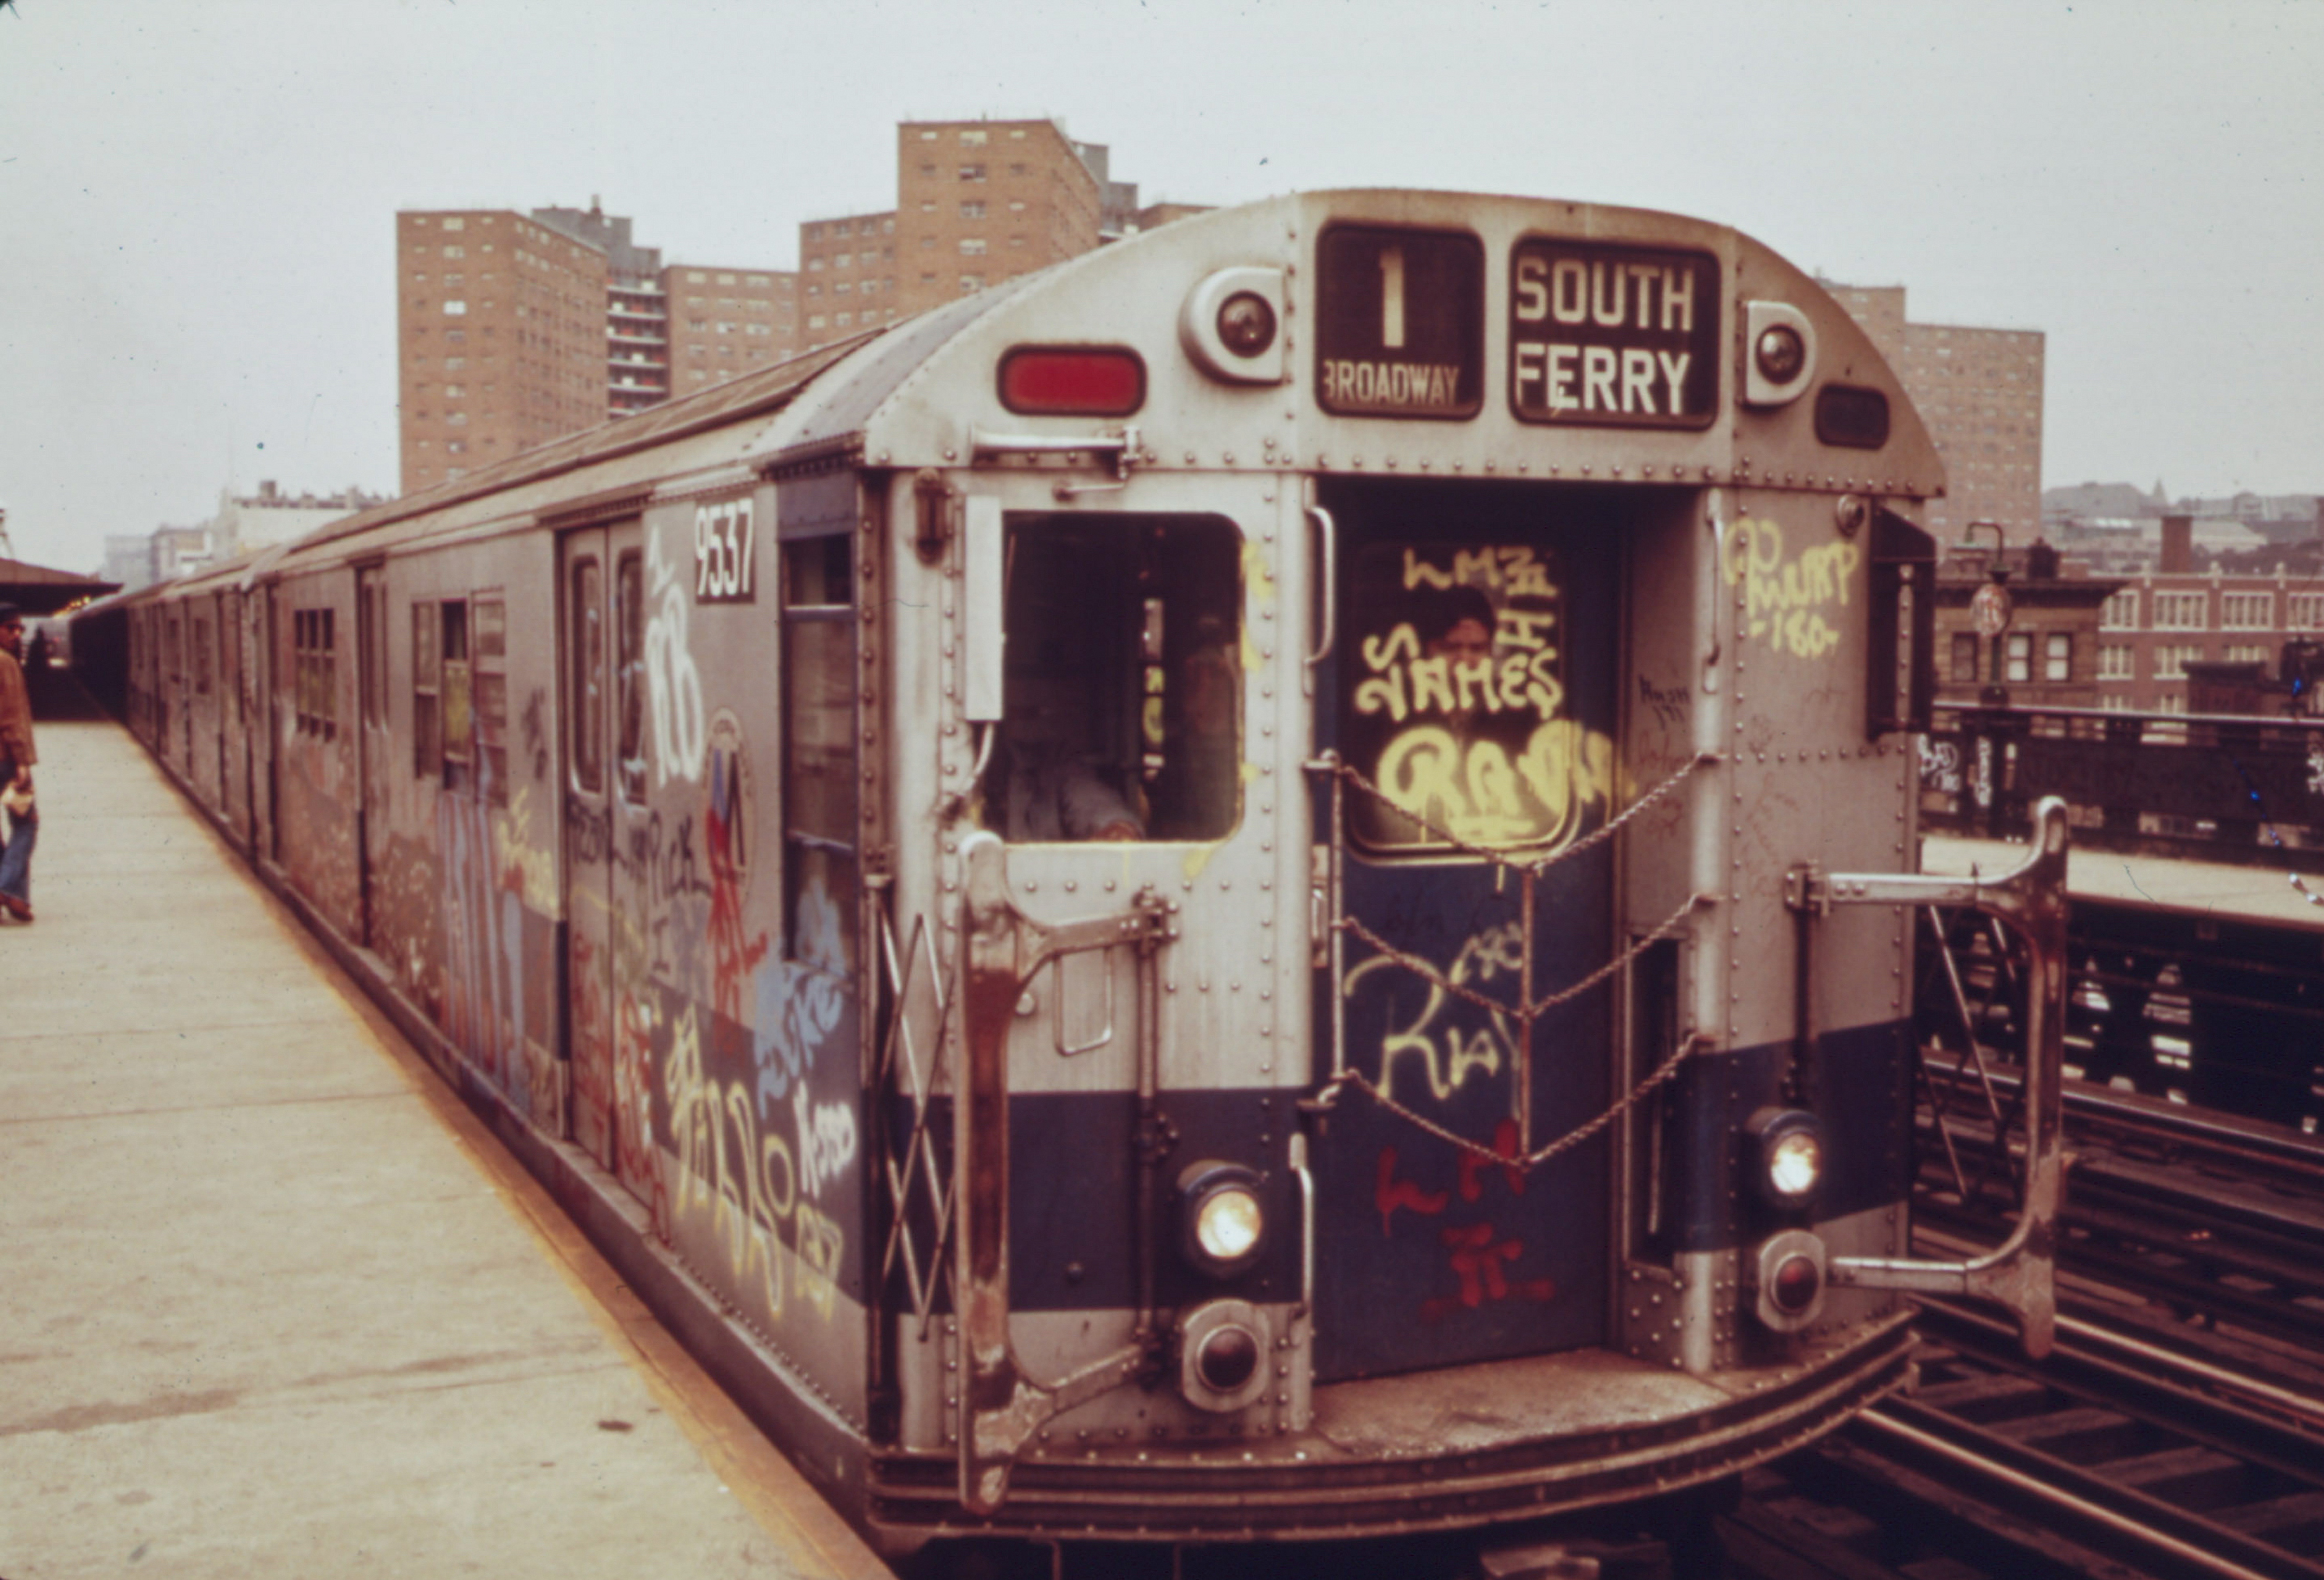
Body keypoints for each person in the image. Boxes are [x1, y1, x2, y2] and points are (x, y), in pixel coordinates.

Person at [0, 603, 37, 924]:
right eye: (10, 627)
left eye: (20, 629)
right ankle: (7, 886)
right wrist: (22, 762)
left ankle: (19, 900)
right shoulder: (6, 663)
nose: (16, 634)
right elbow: (11, 718)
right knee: (27, 823)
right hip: (5, 759)